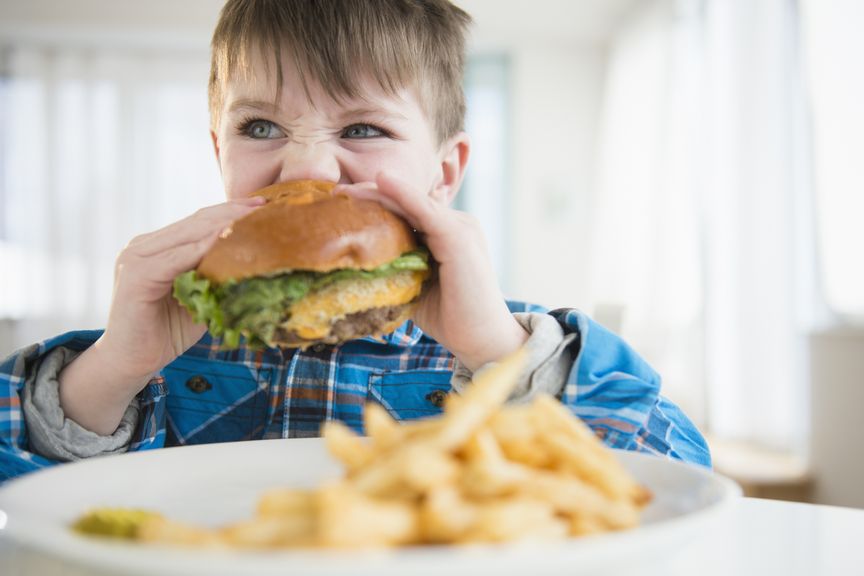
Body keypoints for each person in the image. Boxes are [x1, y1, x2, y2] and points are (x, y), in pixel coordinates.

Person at [0, 0, 709, 482]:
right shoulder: (157, 351)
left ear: (443, 172)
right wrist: (110, 369)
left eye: (363, 129)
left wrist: (501, 357)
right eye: (260, 128)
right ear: (220, 153)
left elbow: (677, 478)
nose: (306, 168)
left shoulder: (501, 339)